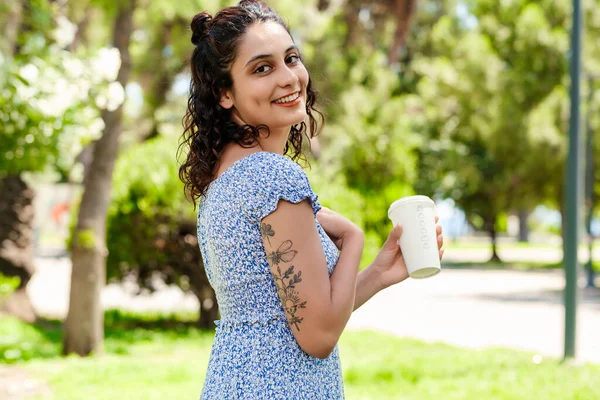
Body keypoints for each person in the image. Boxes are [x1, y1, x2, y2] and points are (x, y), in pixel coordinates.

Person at [178, 1, 444, 398]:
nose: (289, 78)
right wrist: (353, 239)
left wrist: (379, 274)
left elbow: (290, 315)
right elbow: (318, 336)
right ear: (224, 93)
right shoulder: (271, 176)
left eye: (291, 58)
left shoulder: (224, 176)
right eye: (262, 68)